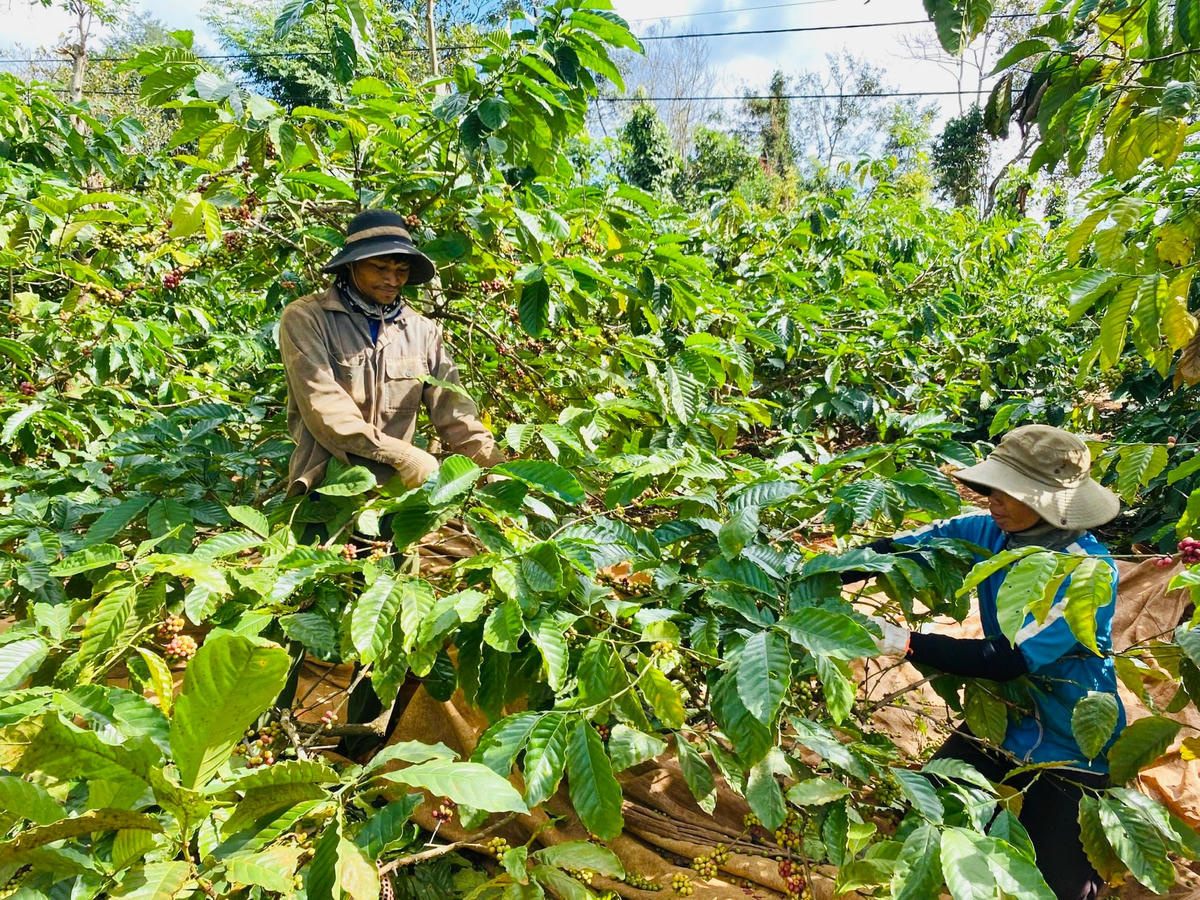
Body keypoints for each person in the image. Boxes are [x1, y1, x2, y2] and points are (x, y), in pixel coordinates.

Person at [851, 425, 1124, 900]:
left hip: (1070, 735)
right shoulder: (986, 531)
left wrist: (902, 641)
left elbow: (1006, 659)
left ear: (1047, 502)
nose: (991, 500)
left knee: (1060, 887)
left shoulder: (1088, 571)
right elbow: (898, 547)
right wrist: (816, 572)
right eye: (991, 488)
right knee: (924, 811)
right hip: (1003, 715)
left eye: (1006, 492)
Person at [278, 209, 505, 498]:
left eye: (401, 271)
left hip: (398, 493)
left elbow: (455, 411)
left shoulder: (421, 331)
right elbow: (325, 409)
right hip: (327, 487)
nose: (392, 280)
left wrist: (491, 464)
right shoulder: (307, 318)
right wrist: (403, 456)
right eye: (380, 268)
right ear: (352, 265)